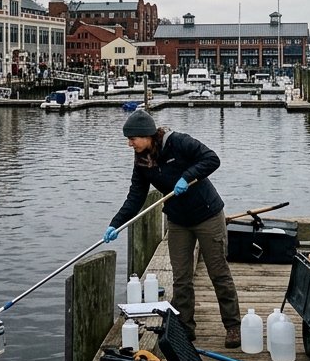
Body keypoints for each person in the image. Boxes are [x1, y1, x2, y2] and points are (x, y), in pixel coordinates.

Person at [104, 110, 243, 348]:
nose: (129, 144)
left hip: (207, 214)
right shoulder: (141, 161)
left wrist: (187, 177)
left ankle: (233, 327)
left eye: (132, 138)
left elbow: (212, 159)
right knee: (181, 277)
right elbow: (135, 197)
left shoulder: (177, 142)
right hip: (178, 221)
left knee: (218, 272)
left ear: (147, 135)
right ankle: (185, 329)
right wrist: (116, 223)